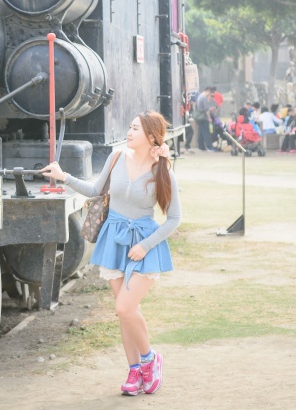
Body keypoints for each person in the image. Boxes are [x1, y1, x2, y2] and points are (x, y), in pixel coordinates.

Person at [41, 111, 179, 396]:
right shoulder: (115, 158)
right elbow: (94, 189)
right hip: (113, 240)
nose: (129, 132)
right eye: (129, 127)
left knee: (125, 308)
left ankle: (151, 360)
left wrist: (146, 245)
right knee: (126, 314)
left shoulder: (163, 170)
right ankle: (133, 370)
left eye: (135, 129)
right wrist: (63, 175)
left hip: (143, 243)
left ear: (152, 137)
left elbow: (174, 219)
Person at [193, 87, 217, 152]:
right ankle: (209, 147)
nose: (210, 95)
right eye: (211, 93)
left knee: (200, 132)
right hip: (203, 117)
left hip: (199, 117)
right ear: (208, 91)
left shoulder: (200, 96)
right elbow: (206, 110)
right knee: (206, 132)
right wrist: (209, 118)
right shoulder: (204, 98)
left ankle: (201, 146)